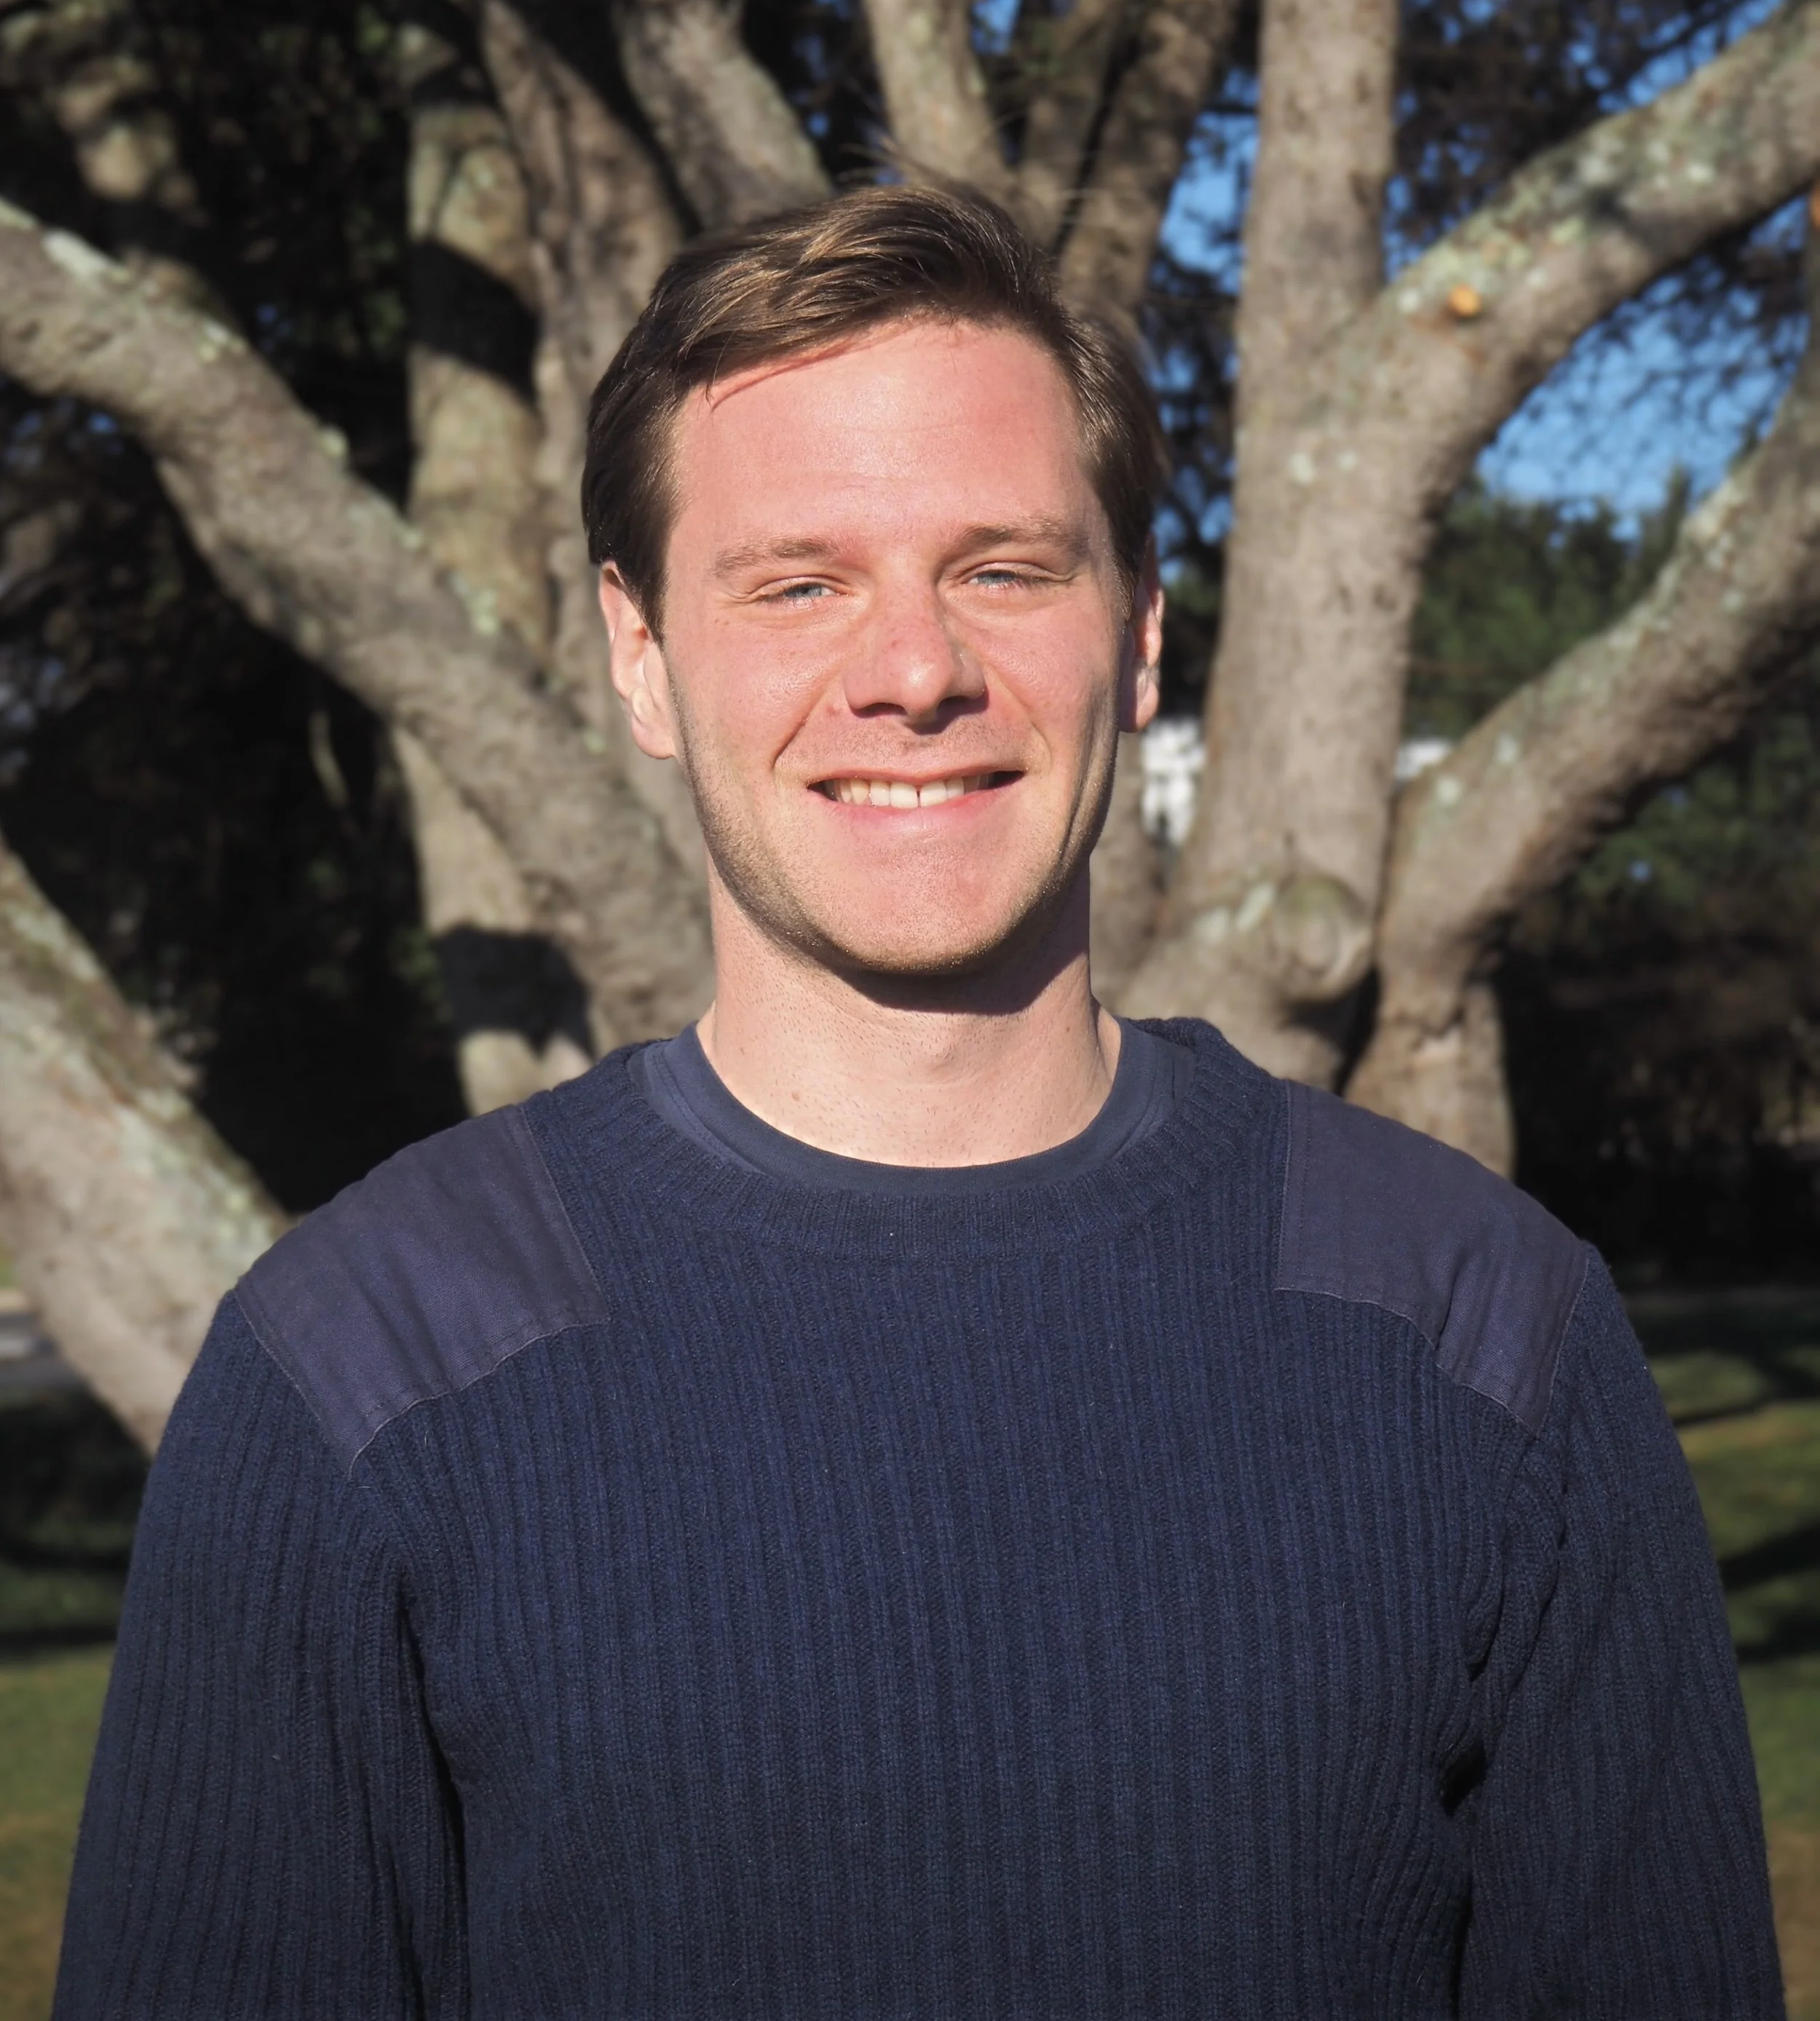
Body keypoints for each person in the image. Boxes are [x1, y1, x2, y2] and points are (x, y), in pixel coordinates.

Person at [56, 189, 1780, 2020]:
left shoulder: (1485, 1338)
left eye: (1005, 568)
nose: (912, 670)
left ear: (1134, 639)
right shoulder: (360, 1369)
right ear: (640, 655)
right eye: (798, 582)